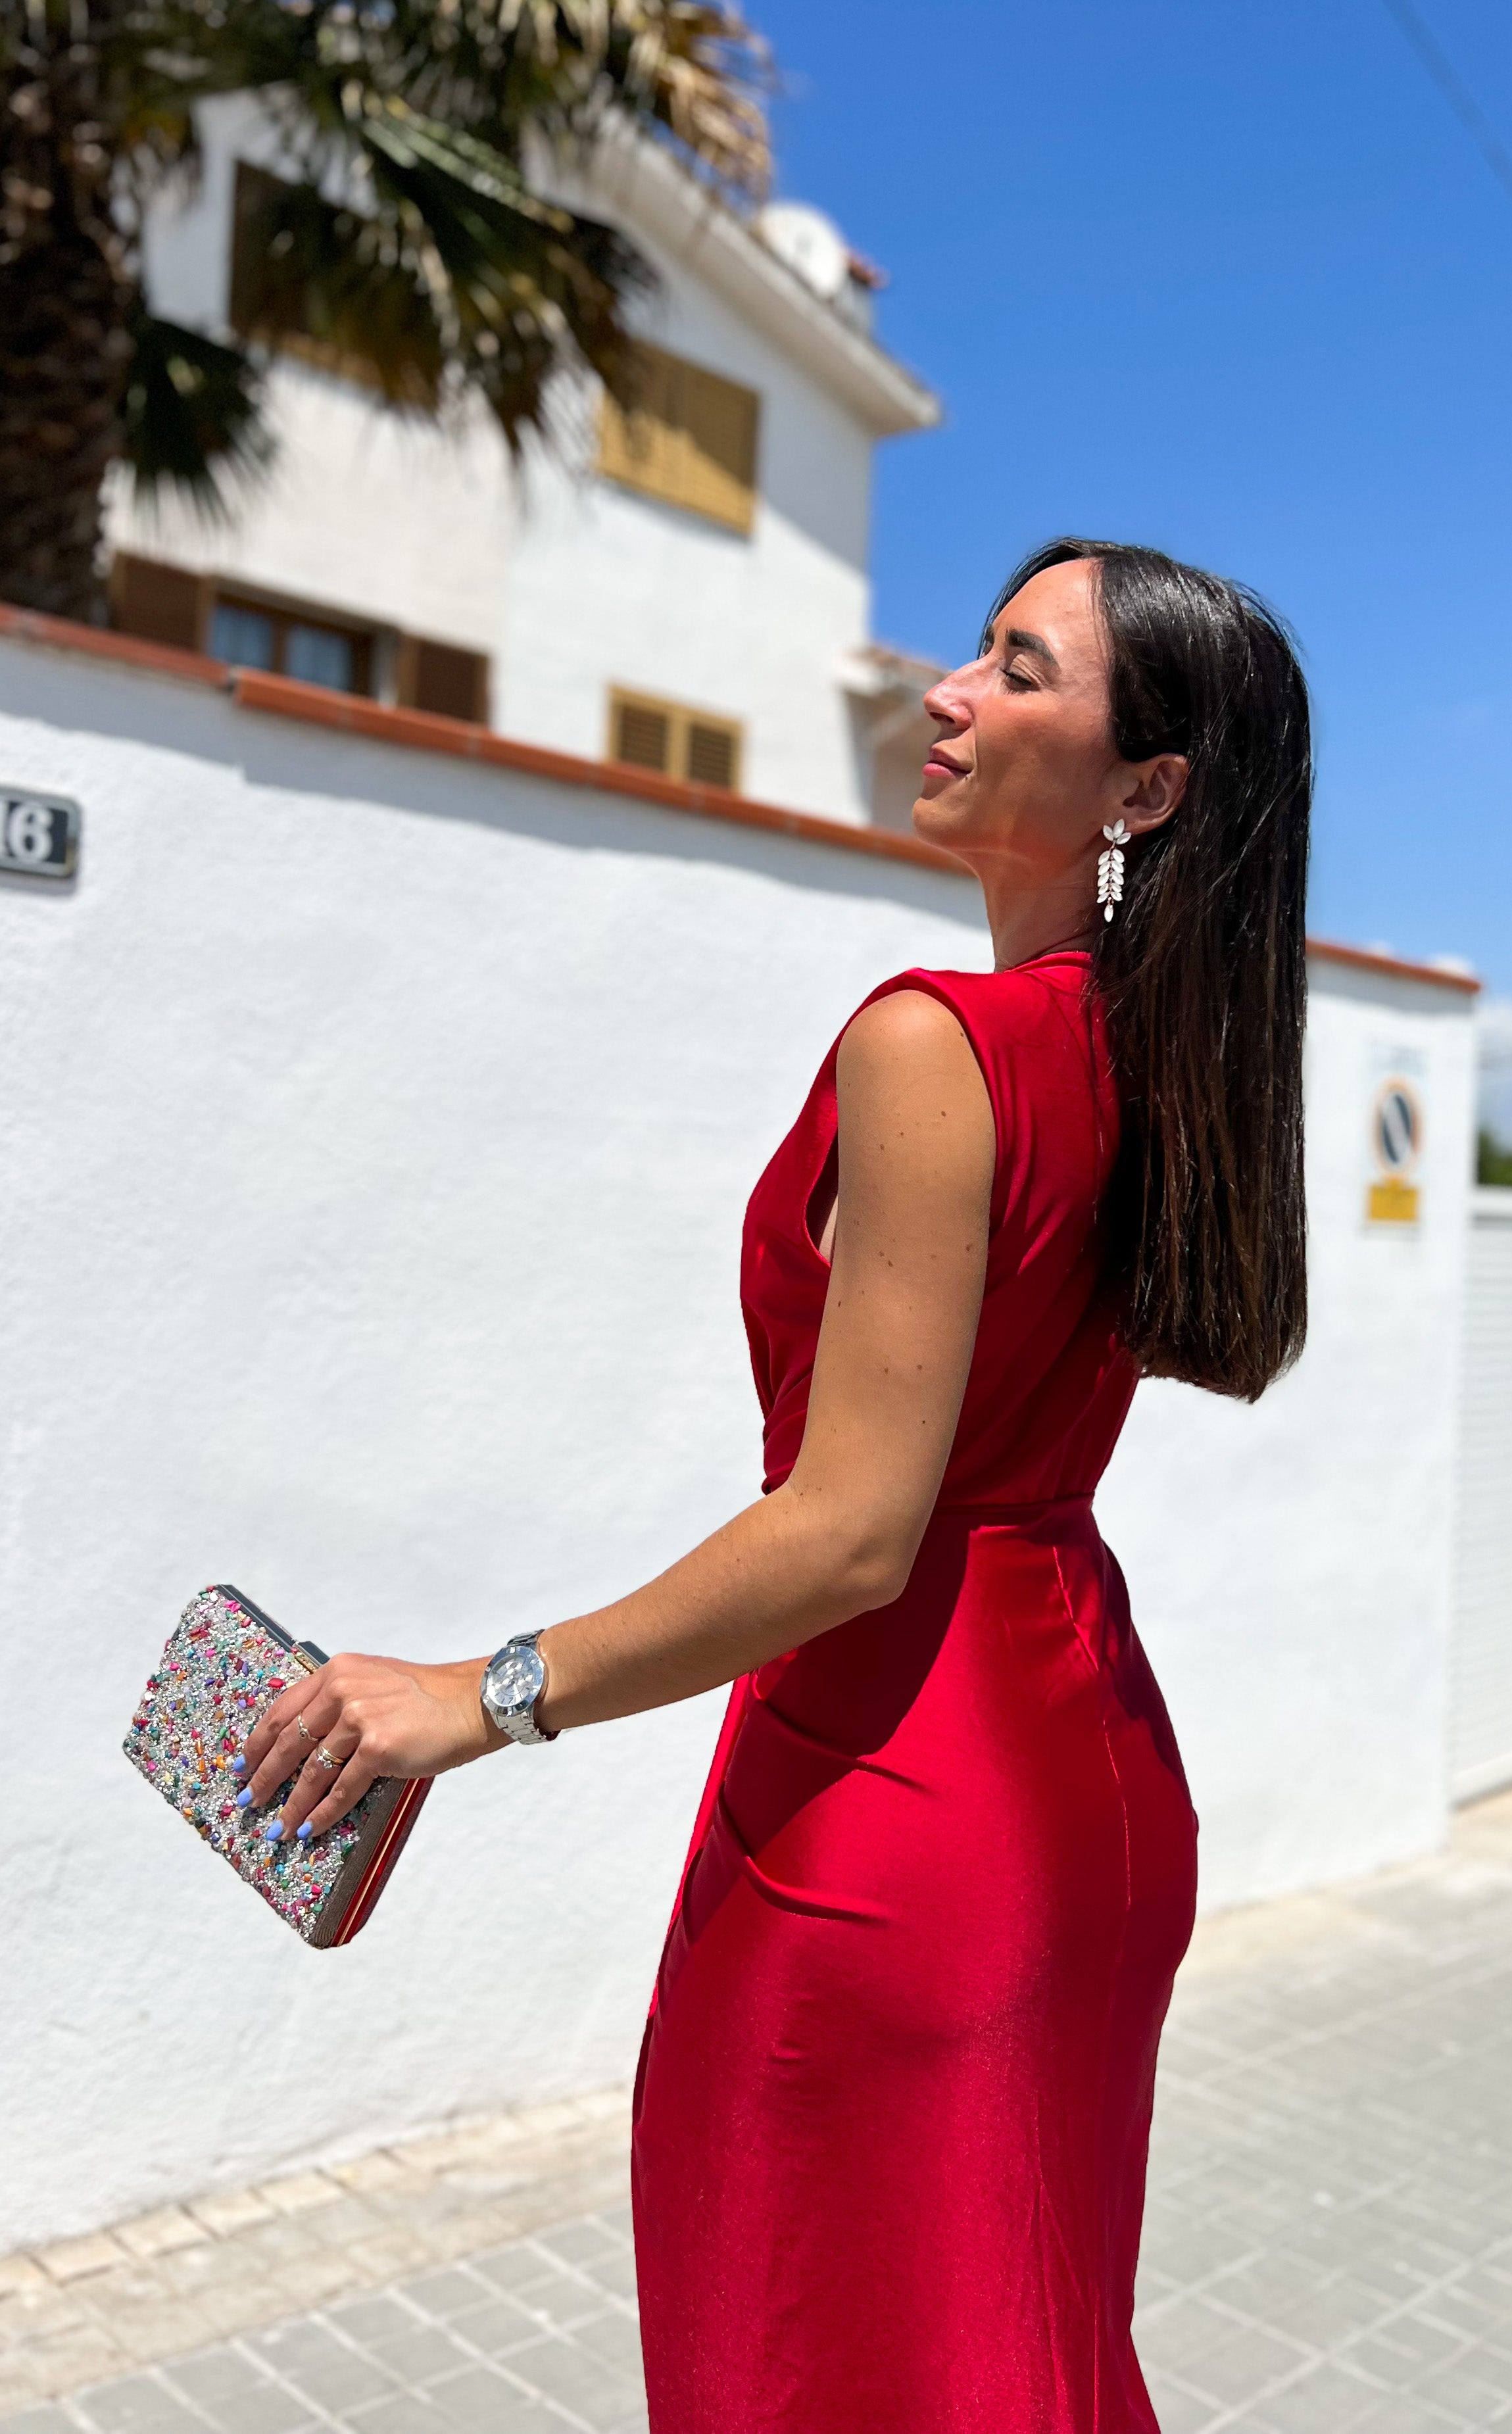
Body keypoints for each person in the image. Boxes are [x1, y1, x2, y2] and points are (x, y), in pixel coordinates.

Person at [237, 537, 1313, 2433]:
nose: (949, 695)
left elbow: (846, 1533)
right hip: (1083, 1776)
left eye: (1018, 672)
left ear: (1148, 791)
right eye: (975, 654)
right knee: (1010, 2347)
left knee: (809, 2349)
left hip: (888, 1797)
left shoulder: (934, 1045)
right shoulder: (1165, 1062)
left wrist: (478, 1698)